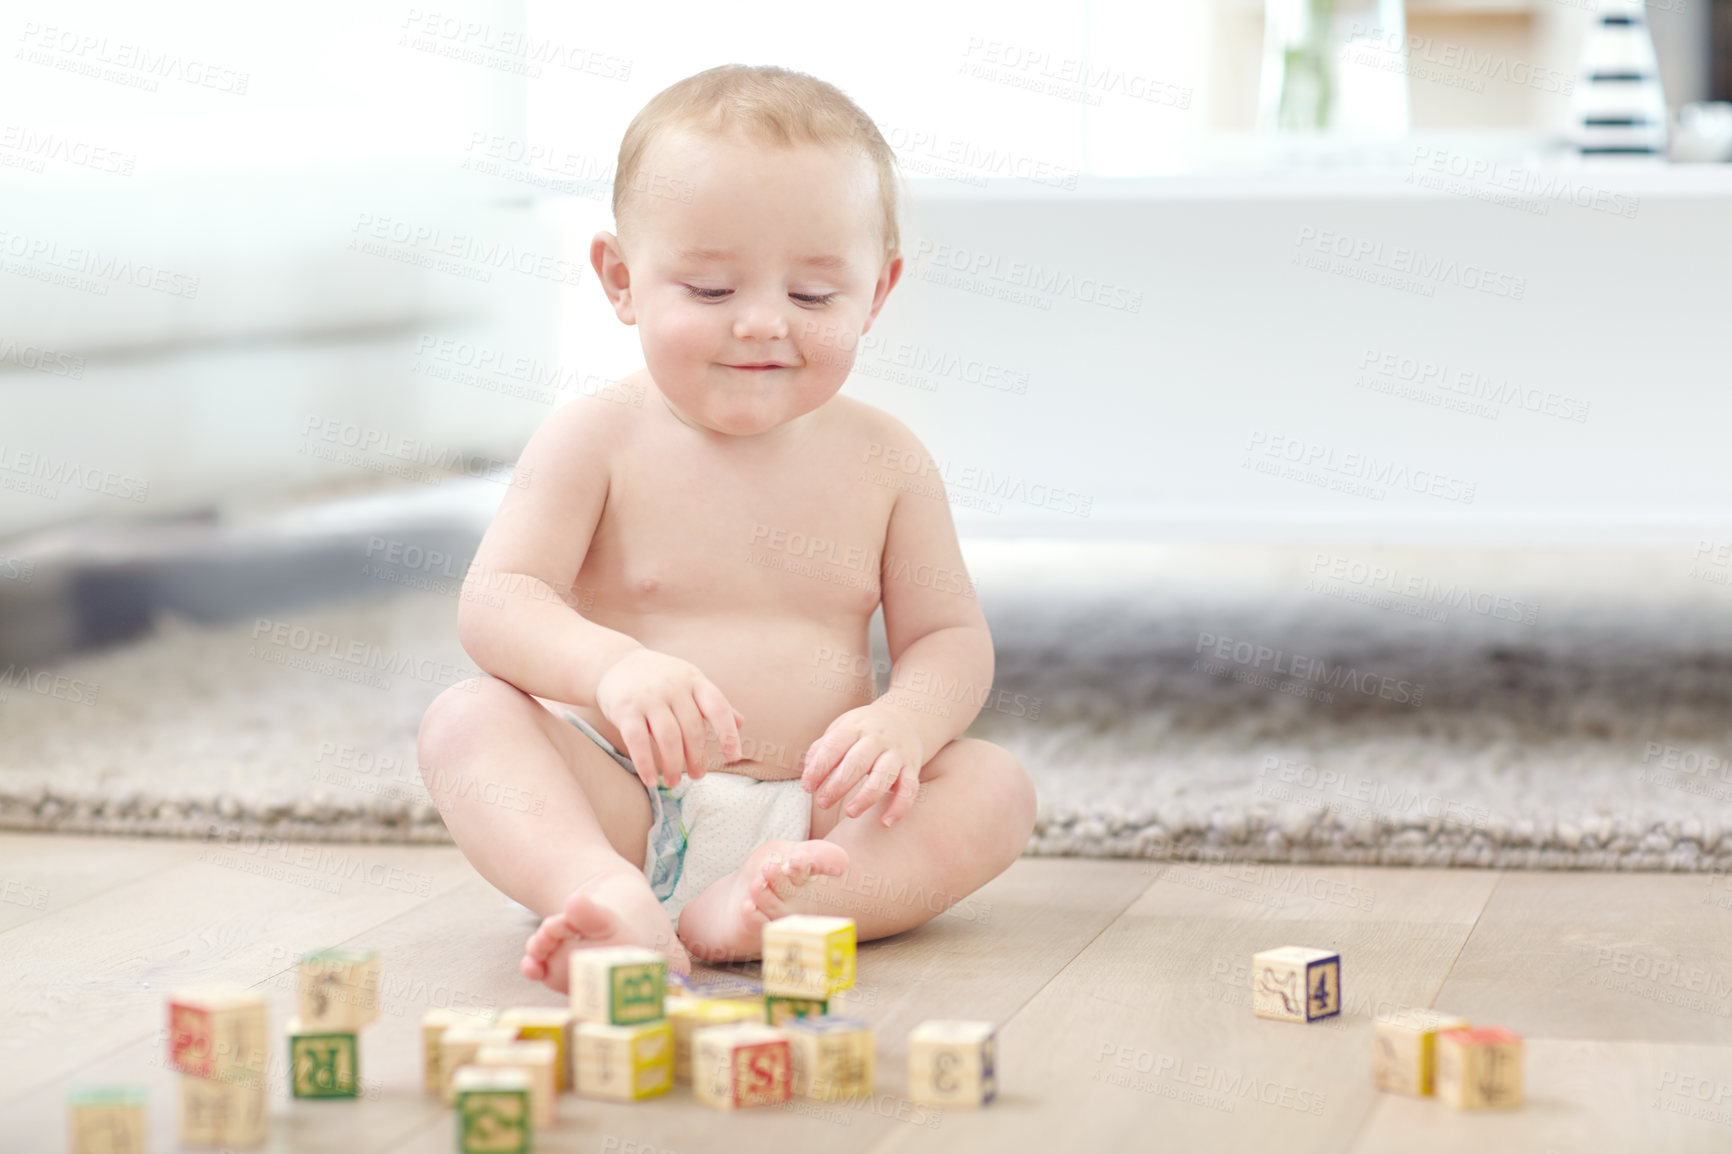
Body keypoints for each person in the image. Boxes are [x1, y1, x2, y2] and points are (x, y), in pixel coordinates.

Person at [417, 63, 1037, 992]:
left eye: (813, 297)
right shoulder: (594, 438)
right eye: (709, 290)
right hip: (622, 798)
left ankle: (789, 905)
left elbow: (948, 638)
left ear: (877, 293)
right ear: (622, 280)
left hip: (822, 820)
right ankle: (595, 889)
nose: (759, 325)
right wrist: (611, 667)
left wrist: (904, 724)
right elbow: (499, 602)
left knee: (992, 789)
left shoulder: (888, 461)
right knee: (465, 721)